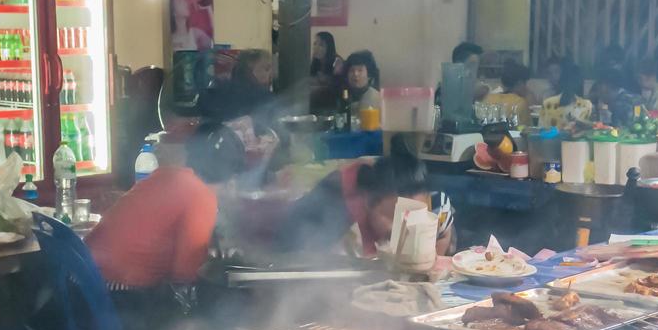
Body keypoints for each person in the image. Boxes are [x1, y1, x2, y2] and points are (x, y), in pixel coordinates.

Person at [85, 122, 243, 287]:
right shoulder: (202, 196)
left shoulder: (170, 175)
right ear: (233, 180)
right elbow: (185, 276)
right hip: (108, 289)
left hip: (81, 279)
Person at [280, 135, 454, 258]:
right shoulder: (340, 219)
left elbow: (444, 234)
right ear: (369, 202)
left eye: (413, 217)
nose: (403, 230)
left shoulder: (435, 204)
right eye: (394, 217)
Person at [201, 49, 277, 131]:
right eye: (266, 69)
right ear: (249, 70)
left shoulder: (216, 89)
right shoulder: (264, 97)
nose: (271, 74)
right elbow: (273, 130)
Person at [538, 61, 593, 132]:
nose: (553, 76)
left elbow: (541, 131)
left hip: (550, 142)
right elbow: (589, 132)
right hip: (576, 143)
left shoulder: (548, 103)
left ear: (562, 80)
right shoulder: (586, 105)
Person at [484, 58, 531, 124]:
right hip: (509, 134)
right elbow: (525, 130)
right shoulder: (520, 102)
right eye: (525, 83)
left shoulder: (489, 98)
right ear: (519, 83)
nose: (526, 87)